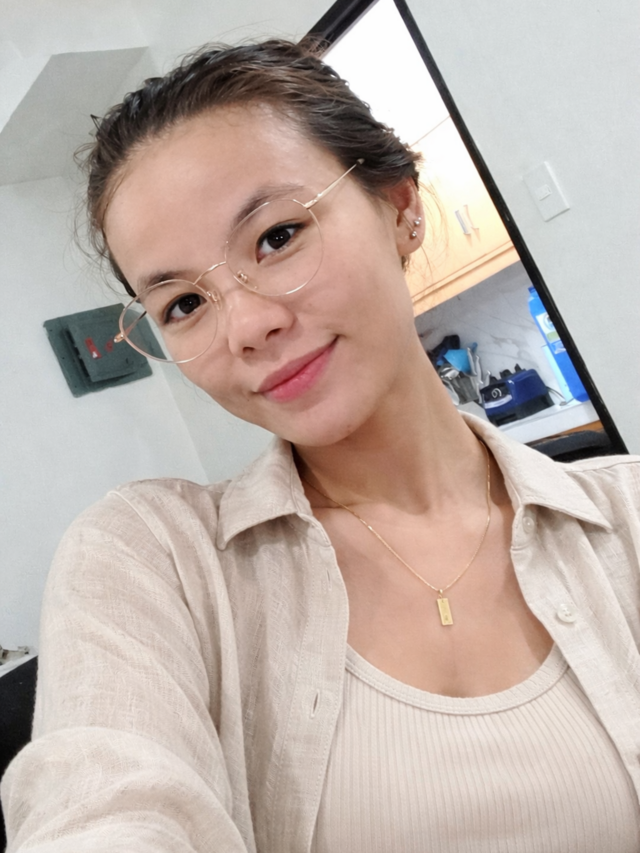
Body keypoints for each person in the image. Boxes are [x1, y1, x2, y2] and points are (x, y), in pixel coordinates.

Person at [2, 38, 640, 853]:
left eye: (277, 236)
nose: (246, 325)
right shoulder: (155, 560)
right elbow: (106, 807)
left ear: (401, 207)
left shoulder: (625, 520)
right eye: (184, 304)